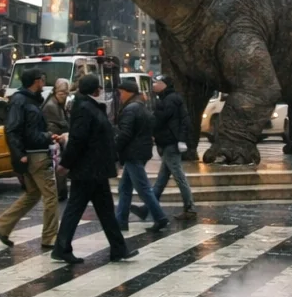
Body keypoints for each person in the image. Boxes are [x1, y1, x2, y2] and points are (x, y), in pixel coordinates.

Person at [52, 74, 135, 264]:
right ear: (95, 90)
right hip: (87, 170)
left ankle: (118, 248)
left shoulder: (88, 107)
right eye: (99, 87)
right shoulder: (83, 109)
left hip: (95, 169)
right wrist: (66, 163)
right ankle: (62, 248)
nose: (100, 90)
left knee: (105, 211)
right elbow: (77, 140)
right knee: (75, 209)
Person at [0, 68, 59, 250]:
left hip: (33, 152)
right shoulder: (20, 101)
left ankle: (2, 224)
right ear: (36, 81)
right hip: (34, 154)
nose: (44, 83)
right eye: (42, 79)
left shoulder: (30, 100)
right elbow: (12, 129)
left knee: (33, 194)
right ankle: (50, 237)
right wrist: (19, 154)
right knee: (51, 196)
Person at [113, 81, 171, 232]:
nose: (119, 96)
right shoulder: (140, 106)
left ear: (127, 92)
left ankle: (160, 217)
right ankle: (121, 221)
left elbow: (125, 133)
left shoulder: (131, 109)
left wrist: (115, 150)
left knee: (143, 188)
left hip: (133, 153)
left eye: (121, 93)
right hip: (140, 151)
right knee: (124, 187)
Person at [141, 75, 197, 218]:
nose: (153, 85)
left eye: (156, 83)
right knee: (162, 178)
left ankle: (189, 208)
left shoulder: (169, 100)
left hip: (170, 143)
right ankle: (149, 207)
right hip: (169, 142)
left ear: (164, 85)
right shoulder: (169, 98)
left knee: (179, 176)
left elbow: (160, 119)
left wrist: (150, 110)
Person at [43, 77, 71, 204]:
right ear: (55, 92)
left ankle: (62, 192)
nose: (64, 96)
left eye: (66, 93)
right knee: (58, 168)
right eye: (61, 93)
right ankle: (60, 193)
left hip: (58, 138)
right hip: (55, 140)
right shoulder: (51, 106)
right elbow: (60, 124)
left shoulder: (58, 104)